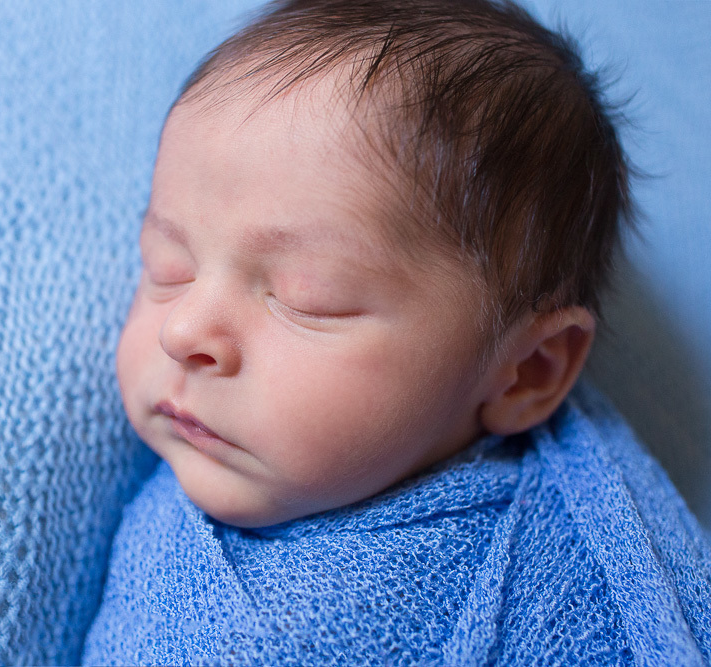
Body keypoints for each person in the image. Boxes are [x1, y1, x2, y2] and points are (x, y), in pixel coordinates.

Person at [83, 0, 711, 664]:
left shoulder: (568, 592)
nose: (183, 330)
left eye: (308, 297)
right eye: (167, 266)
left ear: (529, 369)